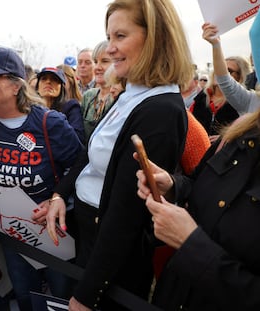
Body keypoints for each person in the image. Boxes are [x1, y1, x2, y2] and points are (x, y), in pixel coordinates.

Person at [46, 0, 193, 310]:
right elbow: (89, 152)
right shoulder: (131, 93)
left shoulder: (161, 110)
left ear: (155, 39)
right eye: (109, 36)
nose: (110, 49)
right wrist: (60, 195)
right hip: (89, 240)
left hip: (112, 263)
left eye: (120, 37)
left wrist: (87, 294)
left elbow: (126, 215)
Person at [0, 46, 83, 311]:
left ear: (16, 87)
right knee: (25, 297)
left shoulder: (50, 123)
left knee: (59, 300)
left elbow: (81, 166)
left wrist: (57, 197)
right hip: (12, 231)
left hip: (53, 234)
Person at [136, 100, 260, 310]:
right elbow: (198, 181)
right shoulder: (243, 130)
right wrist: (172, 185)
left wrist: (191, 244)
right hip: (174, 293)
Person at [201, 22, 260, 115]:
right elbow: (224, 80)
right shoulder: (253, 101)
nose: (216, 73)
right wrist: (215, 44)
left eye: (230, 71)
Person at [35, 66, 84, 142]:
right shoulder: (30, 109)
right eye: (44, 79)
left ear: (62, 87)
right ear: (37, 86)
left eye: (54, 79)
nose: (48, 82)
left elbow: (77, 138)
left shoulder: (71, 107)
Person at [80, 40, 115, 141]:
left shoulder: (120, 96)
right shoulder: (89, 96)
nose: (97, 67)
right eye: (95, 62)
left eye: (104, 61)